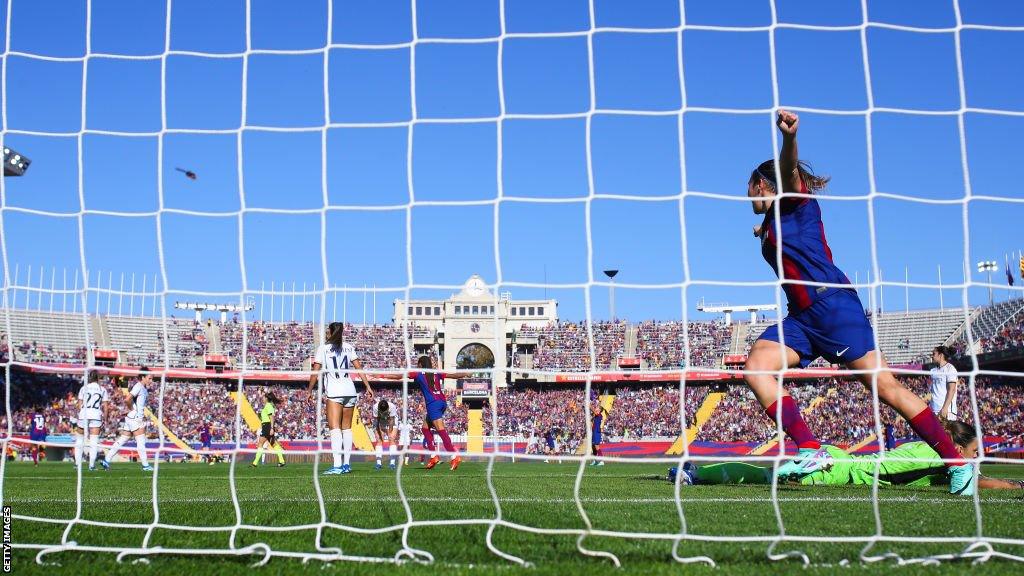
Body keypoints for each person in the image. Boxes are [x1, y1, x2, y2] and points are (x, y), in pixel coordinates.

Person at [743, 109, 974, 495]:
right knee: (756, 367)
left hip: (832, 307)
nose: (745, 195)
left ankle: (956, 464)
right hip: (802, 318)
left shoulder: (793, 199)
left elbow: (788, 172)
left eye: (748, 188)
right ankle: (812, 448)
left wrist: (789, 139)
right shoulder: (772, 222)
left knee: (885, 387)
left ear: (761, 184)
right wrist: (762, 231)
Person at [670, 421, 1022, 492]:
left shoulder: (935, 456)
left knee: (764, 473)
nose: (976, 460)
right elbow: (981, 480)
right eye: (974, 453)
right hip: (838, 470)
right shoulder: (935, 456)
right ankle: (695, 473)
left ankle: (695, 472)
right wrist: (1014, 483)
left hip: (841, 462)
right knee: (763, 477)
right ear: (957, 450)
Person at [380, 356, 475, 471]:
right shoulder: (435, 372)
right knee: (425, 428)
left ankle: (454, 456)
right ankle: (434, 456)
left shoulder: (418, 373)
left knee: (441, 431)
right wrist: (465, 373)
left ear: (420, 364)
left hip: (433, 404)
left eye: (417, 364)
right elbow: (453, 375)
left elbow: (399, 376)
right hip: (442, 402)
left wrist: (382, 375)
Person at [308, 322, 373, 475]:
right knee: (347, 428)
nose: (325, 334)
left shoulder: (323, 349)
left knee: (334, 428)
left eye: (327, 331)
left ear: (331, 332)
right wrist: (368, 386)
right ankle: (346, 465)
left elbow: (315, 372)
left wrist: (309, 390)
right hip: (350, 390)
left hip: (335, 391)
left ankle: (337, 465)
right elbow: (359, 368)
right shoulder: (349, 347)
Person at [101, 368, 153, 471]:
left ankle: (106, 459)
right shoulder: (139, 386)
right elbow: (127, 399)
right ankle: (145, 465)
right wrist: (133, 410)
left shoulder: (142, 388)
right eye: (150, 378)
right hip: (135, 417)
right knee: (141, 441)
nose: (151, 380)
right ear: (143, 377)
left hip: (131, 417)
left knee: (122, 440)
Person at [76, 371, 109, 471]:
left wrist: (81, 413)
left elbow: (79, 405)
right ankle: (91, 466)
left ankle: (77, 464)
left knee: (79, 440)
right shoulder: (102, 389)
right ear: (98, 378)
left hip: (84, 415)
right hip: (95, 415)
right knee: (94, 442)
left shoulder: (83, 388)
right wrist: (106, 419)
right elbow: (106, 407)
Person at [252, 392, 285, 467]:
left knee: (260, 443)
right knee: (273, 444)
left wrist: (272, 428)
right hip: (266, 426)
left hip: (267, 426)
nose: (262, 398)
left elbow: (272, 417)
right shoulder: (268, 406)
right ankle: (282, 461)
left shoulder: (268, 406)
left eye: (263, 397)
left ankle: (255, 463)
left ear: (266, 398)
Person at [929, 346, 960, 421]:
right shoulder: (933, 371)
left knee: (947, 433)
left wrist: (945, 408)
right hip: (934, 410)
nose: (931, 356)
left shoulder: (950, 369)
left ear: (941, 355)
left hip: (946, 411)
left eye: (934, 354)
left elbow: (951, 390)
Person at [372, 398, 400, 470]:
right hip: (380, 421)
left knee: (392, 439)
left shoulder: (392, 406)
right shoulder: (375, 407)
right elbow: (377, 421)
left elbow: (391, 420)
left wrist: (390, 433)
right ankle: (378, 464)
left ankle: (392, 463)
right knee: (379, 440)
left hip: (391, 420)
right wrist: (378, 431)